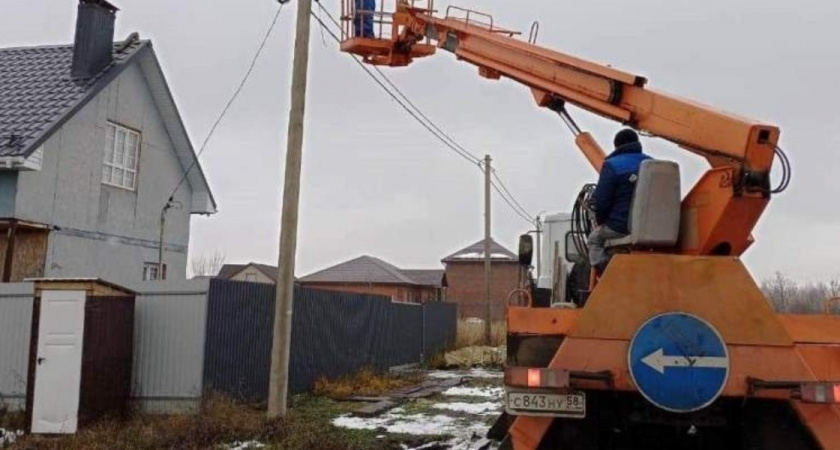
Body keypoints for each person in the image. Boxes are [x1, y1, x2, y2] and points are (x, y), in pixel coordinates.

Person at [588, 129, 651, 275]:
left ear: (616, 146)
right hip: (652, 227)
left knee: (594, 239)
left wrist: (601, 222)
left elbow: (602, 202)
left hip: (621, 226)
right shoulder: (652, 163)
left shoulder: (612, 165)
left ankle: (609, 275)